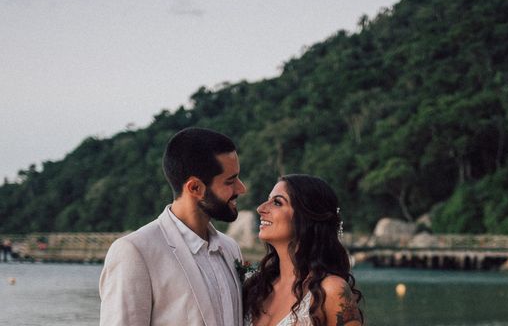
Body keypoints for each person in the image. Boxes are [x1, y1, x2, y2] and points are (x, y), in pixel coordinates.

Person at [100, 127, 247, 326]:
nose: (241, 188)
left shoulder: (231, 249)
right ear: (195, 188)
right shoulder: (135, 252)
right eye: (230, 181)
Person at [244, 174, 363, 326]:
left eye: (277, 202)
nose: (261, 208)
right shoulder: (256, 288)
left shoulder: (331, 291)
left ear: (306, 217)